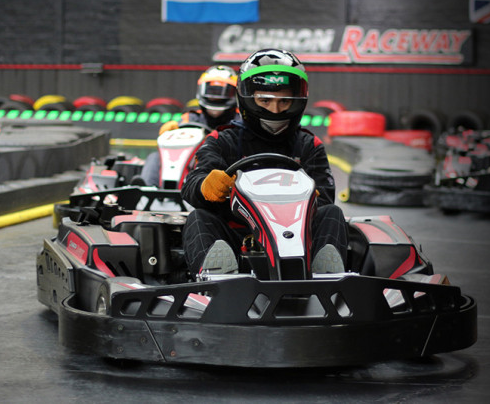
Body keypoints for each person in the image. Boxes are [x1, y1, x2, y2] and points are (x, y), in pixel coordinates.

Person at [180, 48, 348, 277]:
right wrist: (205, 186)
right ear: (248, 98)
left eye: (284, 101)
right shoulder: (223, 140)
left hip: (296, 238)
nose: (275, 110)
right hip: (237, 237)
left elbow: (325, 197)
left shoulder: (308, 145)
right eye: (265, 100)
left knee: (332, 213)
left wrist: (310, 197)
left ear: (298, 101)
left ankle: (326, 278)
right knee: (199, 218)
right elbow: (191, 185)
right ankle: (217, 278)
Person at [139, 65, 239, 186]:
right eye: (211, 91)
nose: (215, 96)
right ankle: (148, 188)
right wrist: (170, 133)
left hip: (218, 164)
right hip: (189, 160)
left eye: (221, 92)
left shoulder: (239, 120)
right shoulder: (190, 118)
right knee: (155, 156)